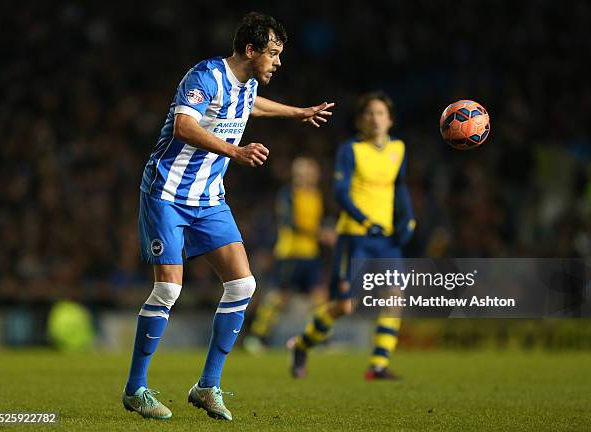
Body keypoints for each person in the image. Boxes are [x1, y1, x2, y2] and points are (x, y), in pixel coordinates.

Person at [122, 12, 334, 421]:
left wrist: (299, 112)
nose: (278, 62)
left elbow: (251, 105)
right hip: (167, 192)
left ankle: (207, 386)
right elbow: (184, 126)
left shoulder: (248, 84)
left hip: (209, 199)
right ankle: (136, 389)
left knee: (243, 284)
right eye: (272, 53)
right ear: (250, 50)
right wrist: (235, 151)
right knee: (168, 291)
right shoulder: (204, 76)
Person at [288, 91, 415, 380]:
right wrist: (364, 220)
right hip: (355, 236)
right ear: (360, 120)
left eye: (380, 113)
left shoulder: (399, 149)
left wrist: (408, 218)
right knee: (344, 305)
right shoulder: (350, 149)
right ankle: (302, 345)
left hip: (386, 239)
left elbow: (401, 186)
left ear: (390, 119)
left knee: (394, 297)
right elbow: (340, 193)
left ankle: (378, 365)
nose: (375, 118)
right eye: (369, 113)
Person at [244, 157, 327, 353]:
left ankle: (320, 340)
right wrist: (320, 233)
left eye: (309, 171)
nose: (306, 175)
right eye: (302, 171)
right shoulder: (288, 194)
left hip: (311, 254)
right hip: (290, 253)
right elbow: (290, 223)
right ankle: (257, 337)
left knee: (319, 297)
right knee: (279, 298)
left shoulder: (316, 195)